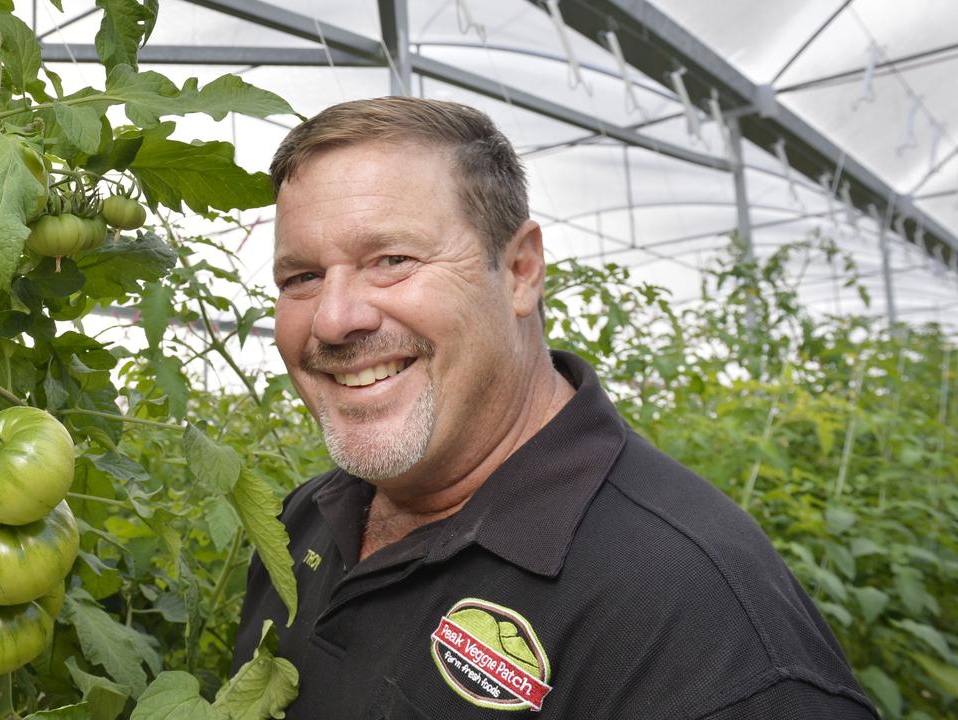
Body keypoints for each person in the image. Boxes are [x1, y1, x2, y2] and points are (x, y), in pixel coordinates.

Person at [232, 97, 878, 719]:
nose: (336, 318)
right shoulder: (305, 518)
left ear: (519, 270)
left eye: (392, 261)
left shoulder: (697, 620)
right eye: (301, 278)